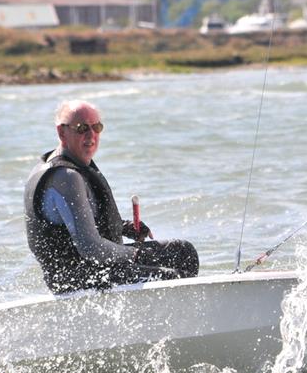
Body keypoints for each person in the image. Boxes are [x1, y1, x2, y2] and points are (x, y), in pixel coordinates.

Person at [24, 99, 199, 294]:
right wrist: (134, 254)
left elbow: (78, 221)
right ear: (62, 132)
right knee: (171, 278)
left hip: (98, 267)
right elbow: (91, 248)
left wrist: (124, 227)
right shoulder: (65, 178)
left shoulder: (73, 166)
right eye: (82, 128)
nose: (91, 135)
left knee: (183, 252)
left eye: (96, 127)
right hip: (76, 279)